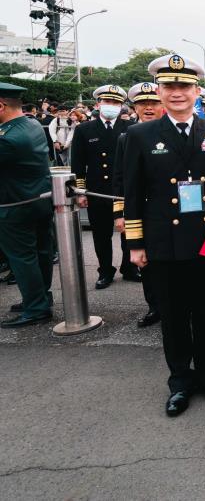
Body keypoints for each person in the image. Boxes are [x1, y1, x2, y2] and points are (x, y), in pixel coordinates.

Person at [123, 54, 205, 417]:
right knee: (172, 316)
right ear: (158, 91)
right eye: (169, 86)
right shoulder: (140, 134)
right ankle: (180, 382)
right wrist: (135, 244)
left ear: (197, 90)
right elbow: (133, 193)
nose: (177, 93)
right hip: (162, 241)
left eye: (184, 86)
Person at [0, 82, 55, 328]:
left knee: (22, 258)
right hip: (39, 199)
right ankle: (41, 296)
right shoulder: (31, 124)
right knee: (42, 252)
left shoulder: (8, 138)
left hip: (15, 204)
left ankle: (36, 308)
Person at [71, 84, 136, 290]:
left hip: (124, 190)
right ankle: (105, 270)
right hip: (97, 189)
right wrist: (80, 191)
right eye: (107, 102)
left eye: (116, 103)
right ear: (98, 104)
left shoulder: (130, 128)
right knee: (101, 233)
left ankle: (129, 267)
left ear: (122, 106)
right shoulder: (84, 129)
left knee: (128, 231)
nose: (111, 106)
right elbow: (78, 163)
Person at [113, 82, 164, 328]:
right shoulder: (127, 137)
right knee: (146, 263)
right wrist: (120, 213)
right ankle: (154, 306)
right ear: (135, 108)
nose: (148, 108)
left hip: (164, 210)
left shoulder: (170, 133)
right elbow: (121, 179)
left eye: (153, 102)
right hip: (139, 210)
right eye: (142, 104)